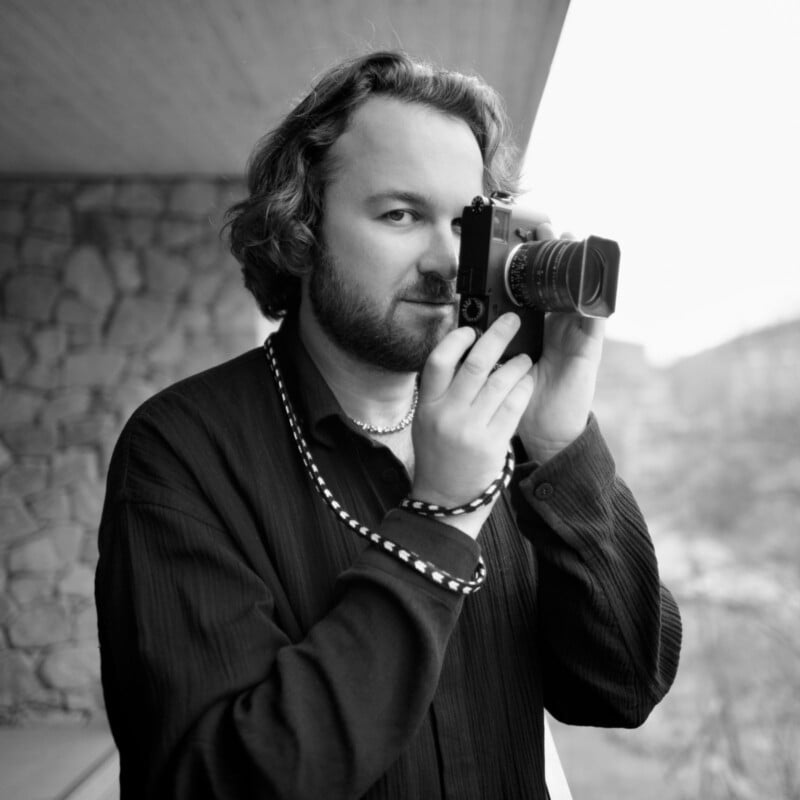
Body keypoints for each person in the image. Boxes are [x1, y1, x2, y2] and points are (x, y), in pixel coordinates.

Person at [95, 50, 682, 799]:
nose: (448, 261)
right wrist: (440, 517)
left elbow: (624, 688)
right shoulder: (180, 450)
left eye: (468, 222)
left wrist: (561, 448)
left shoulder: (507, 434)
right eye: (400, 214)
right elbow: (213, 781)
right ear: (301, 230)